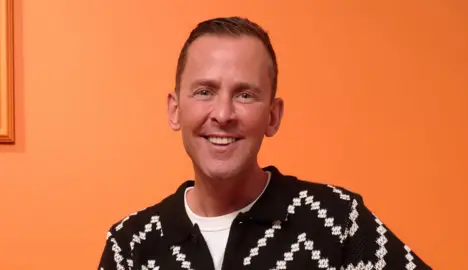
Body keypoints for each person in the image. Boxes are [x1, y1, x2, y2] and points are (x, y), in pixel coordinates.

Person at [98, 16, 431, 270]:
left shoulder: (339, 221)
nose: (224, 114)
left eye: (245, 94)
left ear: (273, 116)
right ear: (175, 110)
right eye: (205, 91)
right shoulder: (130, 245)